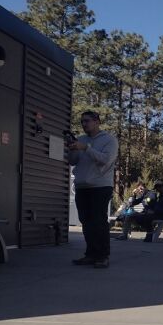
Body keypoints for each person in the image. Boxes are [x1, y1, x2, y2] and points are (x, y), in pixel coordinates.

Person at [67, 111, 118, 269]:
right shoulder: (81, 140)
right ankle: (90, 254)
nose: (84, 124)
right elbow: (73, 161)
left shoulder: (109, 140)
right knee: (86, 222)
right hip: (82, 186)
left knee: (98, 221)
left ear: (97, 121)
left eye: (87, 121)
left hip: (100, 186)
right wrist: (73, 149)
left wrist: (86, 148)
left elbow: (105, 160)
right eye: (82, 121)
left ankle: (103, 256)